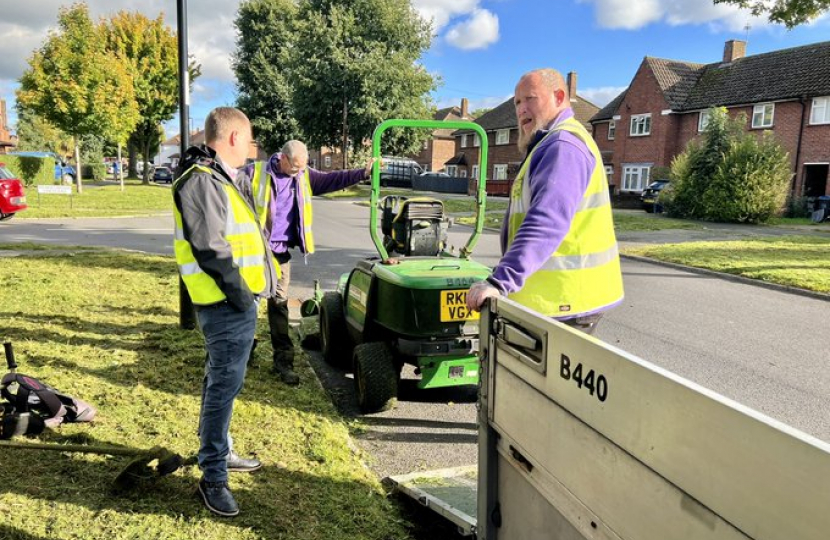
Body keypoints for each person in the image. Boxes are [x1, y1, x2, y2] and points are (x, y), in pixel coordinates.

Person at [172, 107, 278, 517]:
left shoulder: (217, 177)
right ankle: (213, 476)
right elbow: (212, 249)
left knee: (219, 383)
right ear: (233, 137)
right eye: (249, 140)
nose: (251, 149)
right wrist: (242, 295)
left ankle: (219, 453)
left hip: (232, 301)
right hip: (225, 304)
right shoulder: (200, 181)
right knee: (222, 390)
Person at [466, 68, 624, 335]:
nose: (521, 109)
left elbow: (547, 220)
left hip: (565, 302)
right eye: (517, 102)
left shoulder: (562, 146)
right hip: (561, 301)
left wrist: (500, 281)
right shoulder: (546, 144)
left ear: (559, 97)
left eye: (530, 99)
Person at [242, 141, 375, 384]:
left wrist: (363, 173)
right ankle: (243, 357)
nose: (298, 173)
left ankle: (283, 362)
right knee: (249, 304)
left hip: (280, 254)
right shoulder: (254, 173)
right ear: (282, 158)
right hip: (254, 252)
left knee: (279, 304)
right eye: (294, 168)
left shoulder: (303, 176)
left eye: (302, 169)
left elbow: (332, 179)